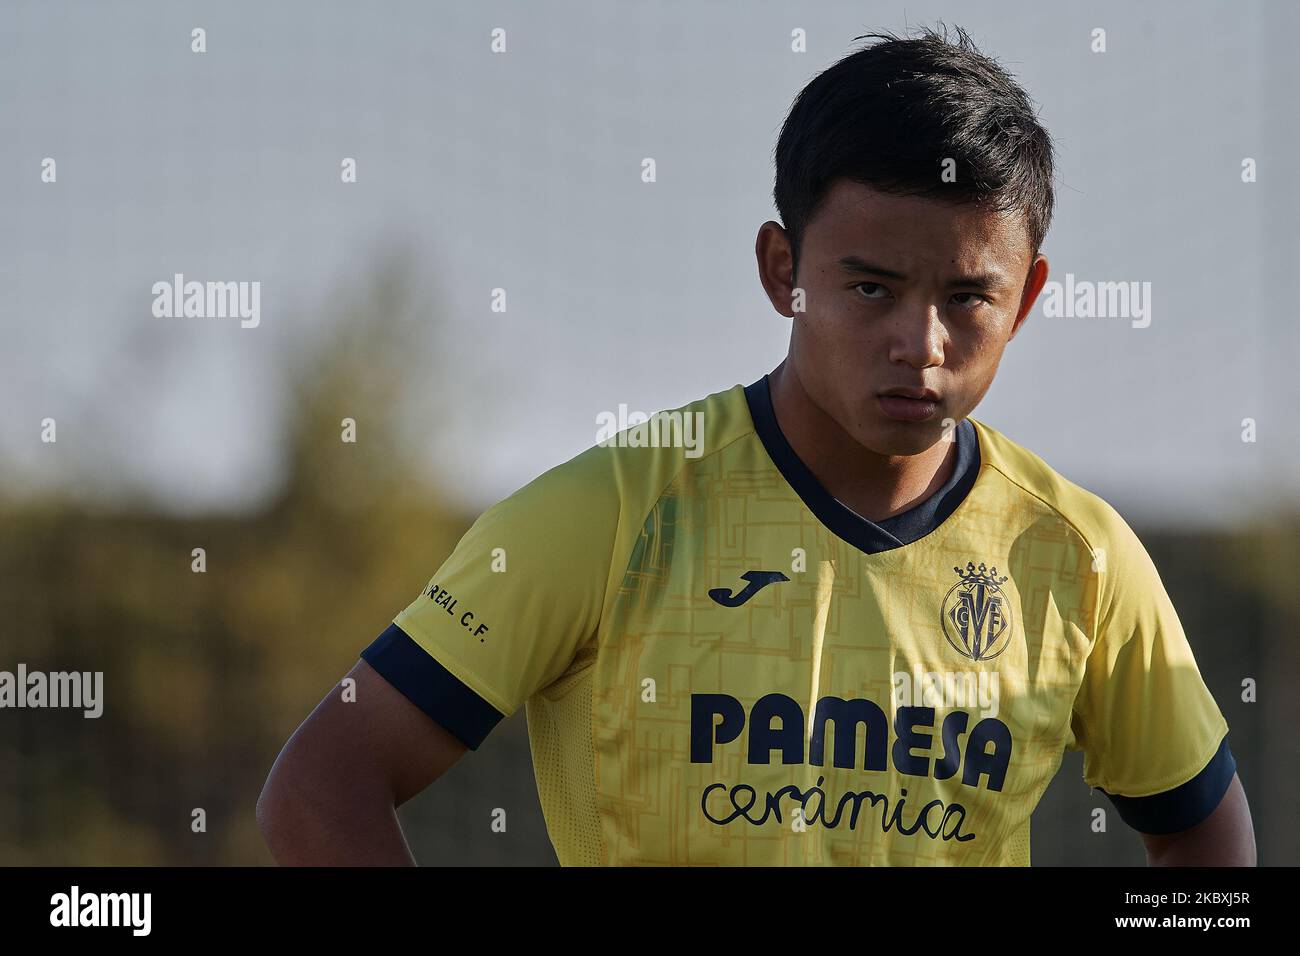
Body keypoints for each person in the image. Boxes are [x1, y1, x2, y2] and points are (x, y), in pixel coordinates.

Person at [257, 25, 1255, 866]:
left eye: (966, 297)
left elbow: (1206, 836)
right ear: (784, 270)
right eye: (871, 288)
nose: (921, 343)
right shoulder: (609, 512)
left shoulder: (1077, 557)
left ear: (1028, 296)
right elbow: (318, 788)